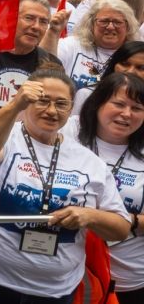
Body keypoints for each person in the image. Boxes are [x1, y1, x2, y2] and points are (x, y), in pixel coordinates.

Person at [0, 70, 131, 303]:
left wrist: (88, 215)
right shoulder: (4, 136)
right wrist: (14, 106)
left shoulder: (89, 161)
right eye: (42, 100)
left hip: (55, 291)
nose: (52, 111)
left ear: (71, 107)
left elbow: (121, 228)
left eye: (61, 104)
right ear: (25, 99)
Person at [72, 72, 144, 301]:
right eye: (119, 104)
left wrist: (125, 221)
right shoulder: (69, 132)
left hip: (129, 280)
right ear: (97, 103)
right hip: (69, 274)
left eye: (137, 108)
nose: (126, 114)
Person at [55, 0, 139, 90]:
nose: (110, 27)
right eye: (104, 21)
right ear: (91, 24)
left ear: (128, 26)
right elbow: (44, 63)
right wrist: (52, 32)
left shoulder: (137, 56)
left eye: (117, 22)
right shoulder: (72, 45)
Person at [74, 42, 144, 114]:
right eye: (124, 64)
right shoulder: (87, 94)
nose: (130, 71)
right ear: (113, 64)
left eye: (141, 68)